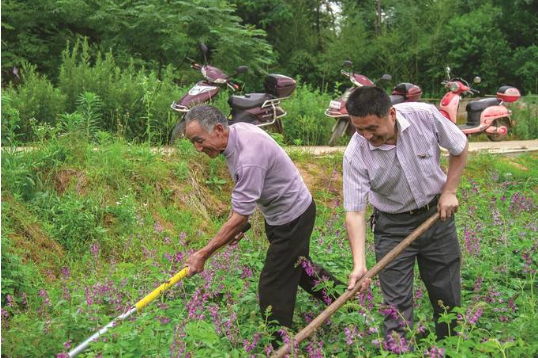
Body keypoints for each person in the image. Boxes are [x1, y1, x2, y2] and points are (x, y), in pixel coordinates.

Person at [182, 105, 349, 343]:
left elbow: (241, 212)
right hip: (280, 216)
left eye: (199, 141)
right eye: (193, 143)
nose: (197, 148)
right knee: (302, 270)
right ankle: (352, 305)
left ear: (218, 129)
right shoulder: (235, 136)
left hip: (293, 217)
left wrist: (204, 253)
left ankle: (280, 345)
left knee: (273, 285)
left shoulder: (249, 155)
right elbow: (243, 198)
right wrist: (237, 225)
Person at [342, 86, 468, 342]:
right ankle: (400, 349)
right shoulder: (355, 154)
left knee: (447, 294)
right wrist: (359, 264)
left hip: (436, 218)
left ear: (391, 113)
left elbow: (460, 146)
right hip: (392, 227)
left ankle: (453, 346)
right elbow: (355, 211)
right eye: (359, 129)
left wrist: (449, 190)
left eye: (372, 128)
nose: (366, 135)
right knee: (395, 306)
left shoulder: (425, 116)